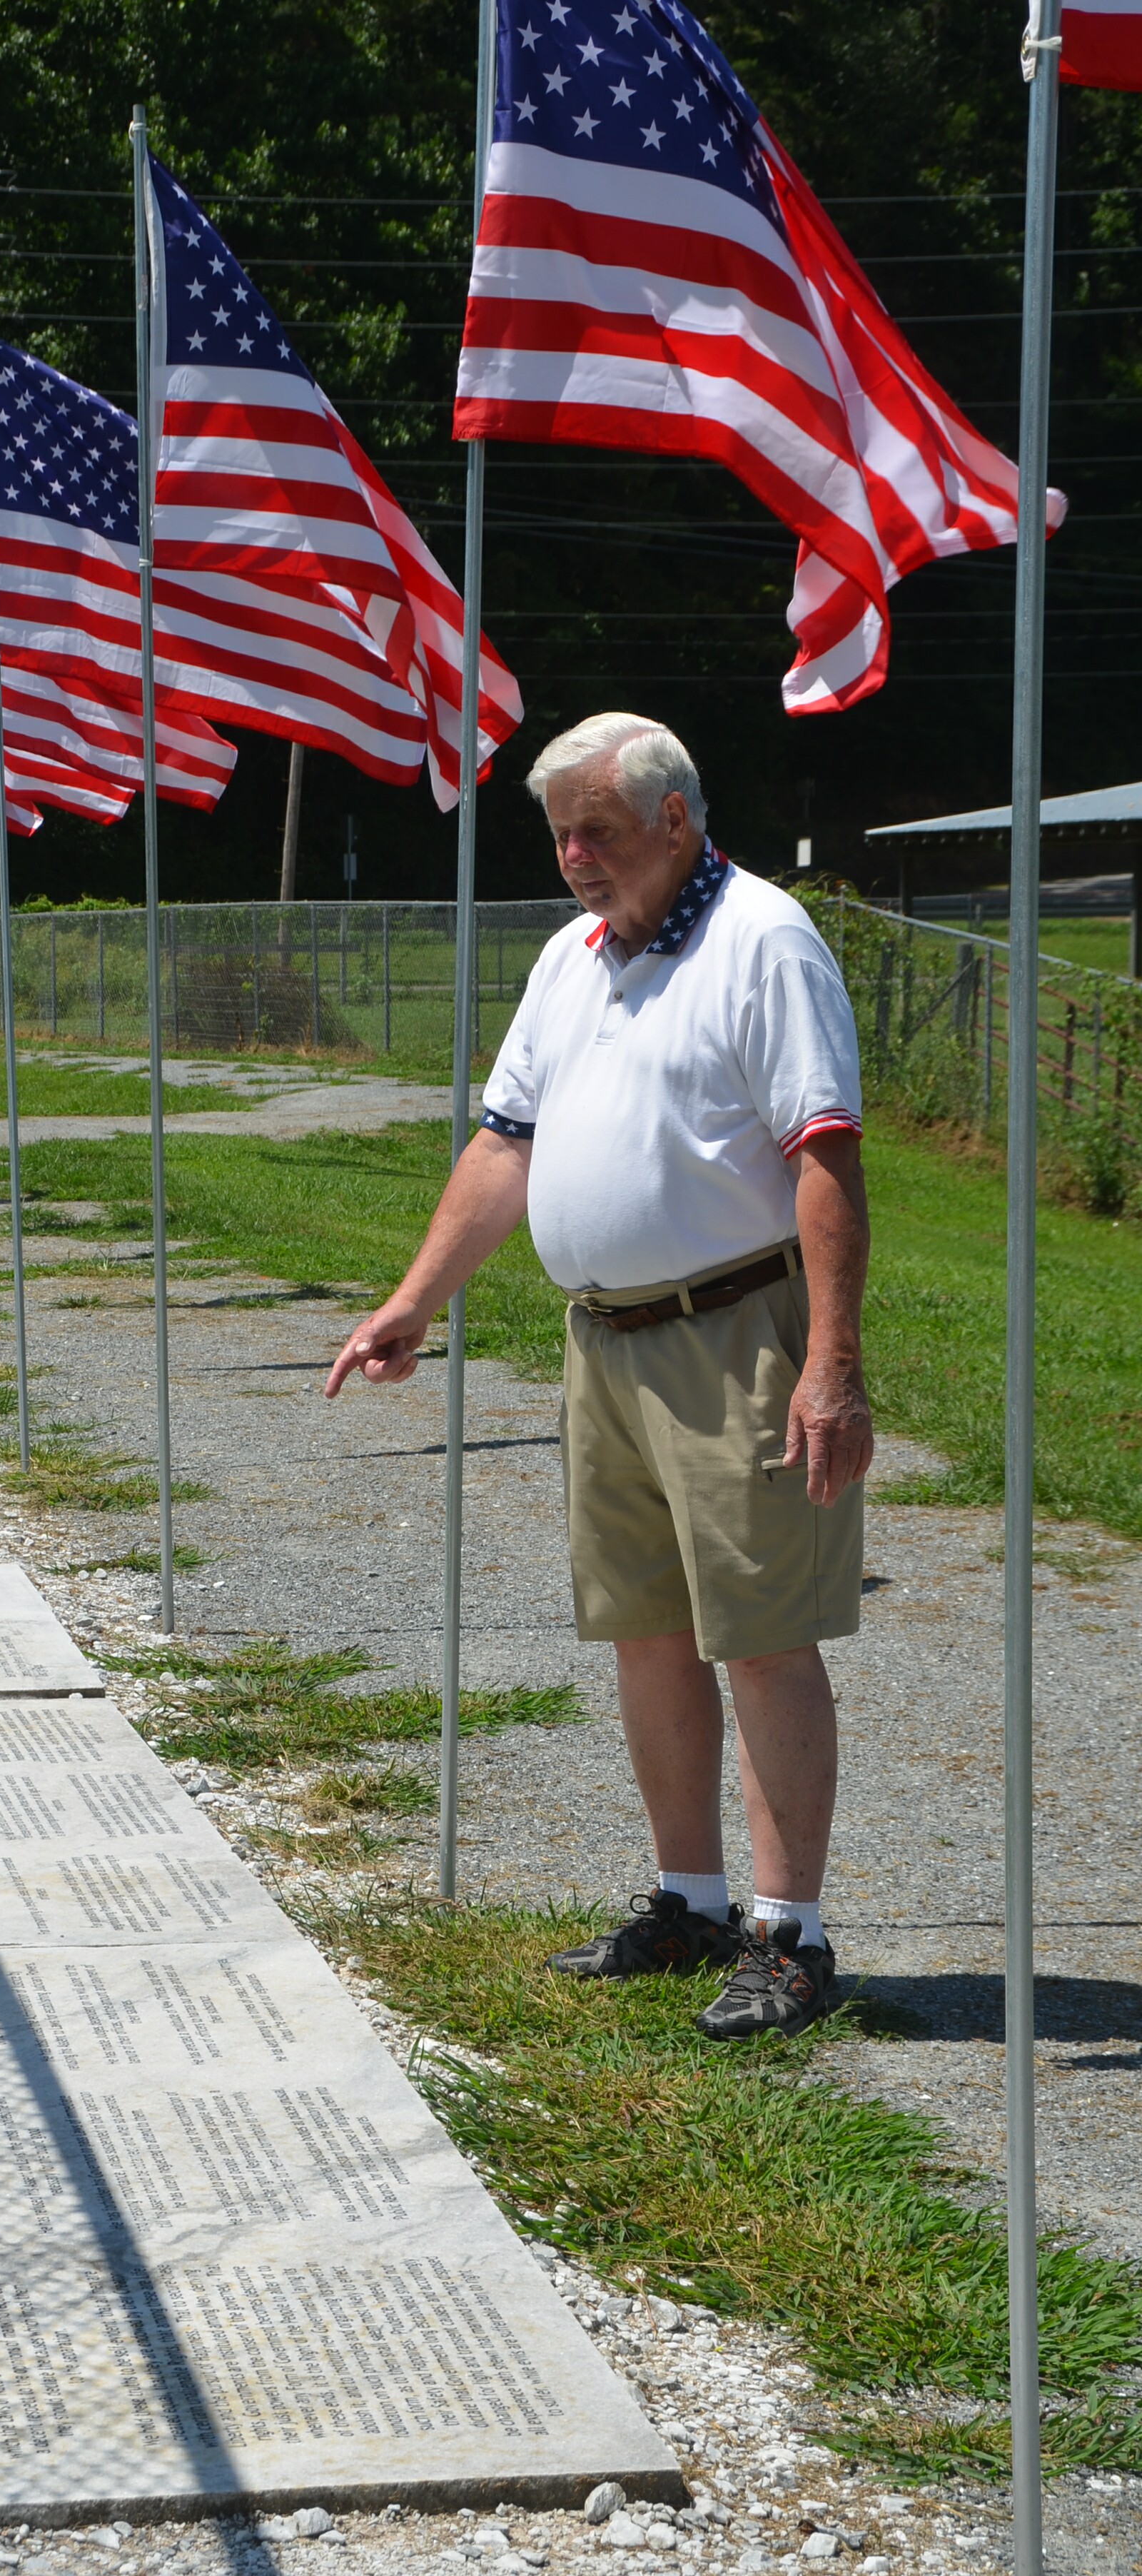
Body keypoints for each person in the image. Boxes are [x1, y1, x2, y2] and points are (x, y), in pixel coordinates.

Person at [325, 713, 871, 2040]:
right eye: (561, 834)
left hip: (736, 1338)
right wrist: (413, 1301)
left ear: (675, 820)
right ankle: (691, 1902)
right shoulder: (571, 960)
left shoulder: (763, 941)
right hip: (603, 1343)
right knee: (646, 1627)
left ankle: (790, 1936)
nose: (575, 856)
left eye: (599, 831)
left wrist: (831, 1366)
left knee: (762, 1634)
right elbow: (504, 1146)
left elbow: (824, 1157)